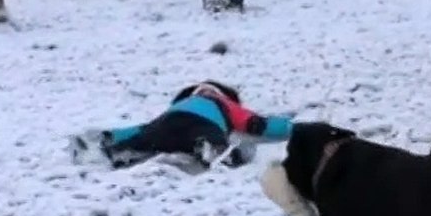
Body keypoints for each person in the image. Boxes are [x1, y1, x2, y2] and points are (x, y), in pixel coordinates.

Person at [69, 81, 294, 169]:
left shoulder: (177, 106)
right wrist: (291, 128)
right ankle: (211, 149)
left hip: (166, 125)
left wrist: (112, 135)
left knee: (144, 137)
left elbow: (142, 127)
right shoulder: (222, 103)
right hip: (205, 125)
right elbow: (255, 124)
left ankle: (116, 151)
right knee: (213, 137)